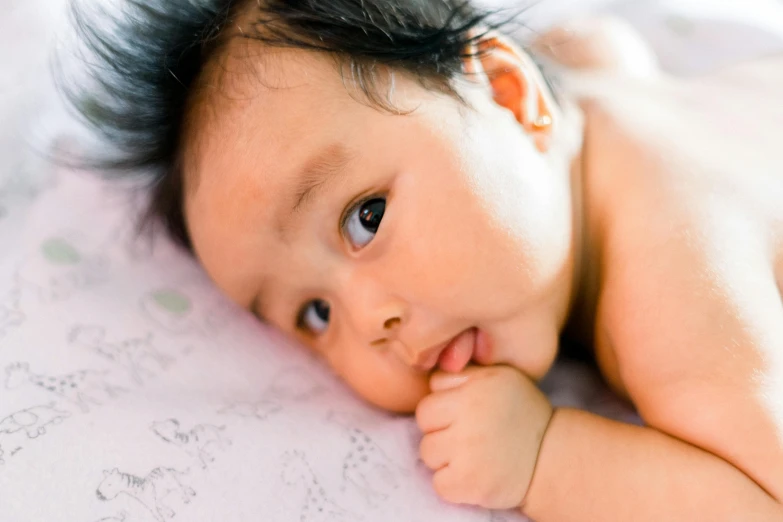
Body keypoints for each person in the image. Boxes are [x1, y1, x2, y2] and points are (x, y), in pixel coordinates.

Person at [66, 0, 783, 519]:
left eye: (364, 218)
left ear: (509, 94)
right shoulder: (578, 82)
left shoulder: (677, 289)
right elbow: (592, 40)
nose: (369, 321)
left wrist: (544, 456)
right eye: (314, 313)